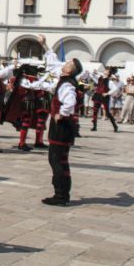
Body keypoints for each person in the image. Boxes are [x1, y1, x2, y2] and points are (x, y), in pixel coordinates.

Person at [42, 50, 83, 206]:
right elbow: (53, 62)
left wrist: (61, 114)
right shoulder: (66, 80)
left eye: (68, 63)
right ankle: (62, 194)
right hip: (63, 126)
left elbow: (70, 102)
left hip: (62, 126)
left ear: (70, 70)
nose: (64, 64)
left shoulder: (67, 83)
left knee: (56, 159)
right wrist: (45, 45)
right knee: (60, 160)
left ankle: (60, 195)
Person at [91, 69, 119, 133]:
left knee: (107, 112)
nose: (105, 70)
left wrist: (107, 93)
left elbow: (115, 88)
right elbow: (92, 76)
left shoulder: (109, 81)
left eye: (106, 70)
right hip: (97, 95)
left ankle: (115, 126)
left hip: (104, 97)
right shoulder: (99, 78)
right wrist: (94, 72)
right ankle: (94, 126)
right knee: (95, 111)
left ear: (108, 73)